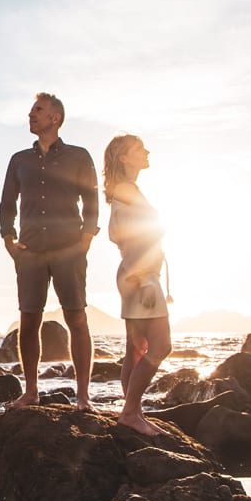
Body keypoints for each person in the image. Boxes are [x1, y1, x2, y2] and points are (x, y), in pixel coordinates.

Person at [0, 92, 100, 411]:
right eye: (31, 110)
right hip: (29, 252)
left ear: (55, 118)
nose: (31, 115)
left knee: (77, 318)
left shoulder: (79, 157)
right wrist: (9, 240)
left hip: (69, 250)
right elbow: (7, 204)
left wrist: (85, 240)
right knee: (29, 320)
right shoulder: (19, 160)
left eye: (38, 110)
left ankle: (83, 397)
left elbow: (92, 201)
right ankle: (31, 392)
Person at [103, 134, 172, 436]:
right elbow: (129, 235)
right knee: (160, 346)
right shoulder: (127, 190)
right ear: (123, 157)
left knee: (136, 348)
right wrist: (144, 279)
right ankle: (131, 412)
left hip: (135, 273)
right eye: (139, 148)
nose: (147, 151)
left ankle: (133, 411)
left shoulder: (125, 189)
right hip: (140, 275)